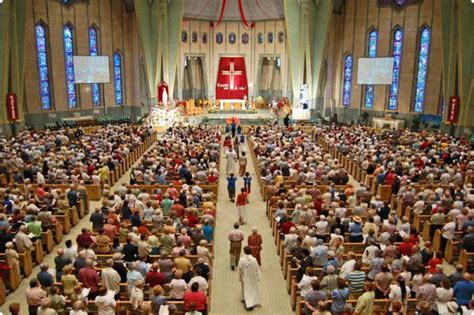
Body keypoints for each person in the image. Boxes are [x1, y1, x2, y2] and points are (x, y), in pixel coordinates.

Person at [238, 246, 261, 310]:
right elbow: (257, 268)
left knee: (245, 288)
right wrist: (258, 276)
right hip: (252, 276)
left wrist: (239, 276)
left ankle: (249, 304)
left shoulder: (242, 259)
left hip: (244, 276)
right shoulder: (254, 259)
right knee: (252, 289)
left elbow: (239, 268)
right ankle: (244, 298)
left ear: (244, 251)